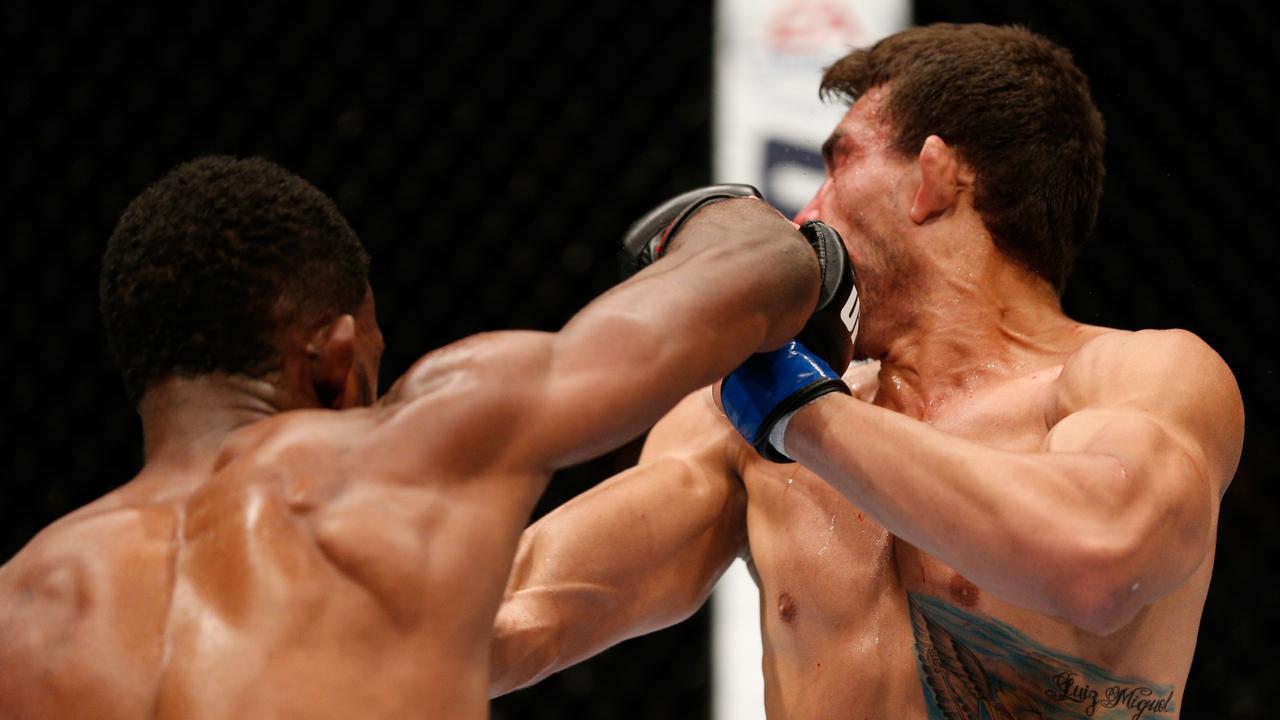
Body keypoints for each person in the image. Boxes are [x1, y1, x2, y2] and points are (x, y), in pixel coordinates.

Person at [489, 23, 1243, 718]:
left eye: (839, 161)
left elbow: (1100, 559)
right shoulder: (743, 426)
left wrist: (805, 412)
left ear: (934, 178)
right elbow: (524, 610)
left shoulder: (1143, 374)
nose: (805, 215)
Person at [0, 157, 846, 719]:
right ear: (336, 360)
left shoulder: (24, 600)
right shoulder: (409, 451)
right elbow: (756, 274)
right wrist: (725, 214)